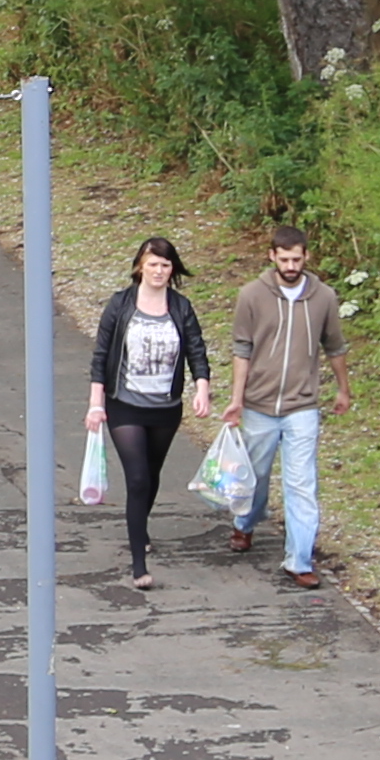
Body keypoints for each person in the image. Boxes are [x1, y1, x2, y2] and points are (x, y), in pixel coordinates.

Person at [224, 223, 348, 587]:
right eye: (285, 259)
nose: (291, 265)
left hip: (302, 406)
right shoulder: (251, 295)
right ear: (272, 256)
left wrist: (343, 389)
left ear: (306, 257)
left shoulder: (324, 297)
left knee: (301, 484)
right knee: (256, 476)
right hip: (259, 405)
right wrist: (236, 399)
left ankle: (299, 560)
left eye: (297, 259)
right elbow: (241, 349)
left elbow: (335, 347)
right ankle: (244, 524)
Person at [89, 236, 213, 582]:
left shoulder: (181, 307)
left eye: (165, 265)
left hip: (165, 408)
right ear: (140, 266)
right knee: (138, 478)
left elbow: (197, 352)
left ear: (172, 270)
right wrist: (96, 405)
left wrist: (201, 387)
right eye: (153, 264)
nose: (158, 271)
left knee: (153, 473)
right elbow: (100, 358)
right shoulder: (120, 304)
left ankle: (140, 528)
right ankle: (138, 565)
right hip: (125, 405)